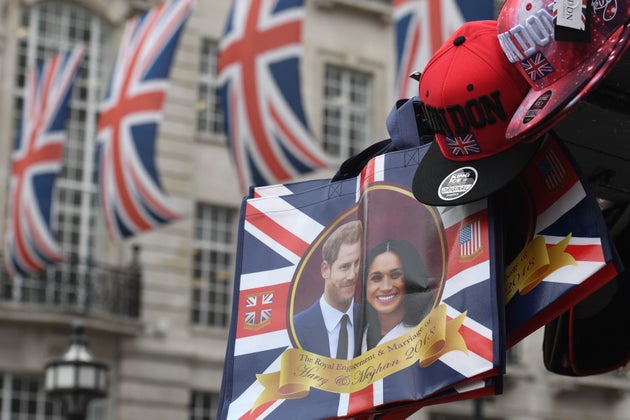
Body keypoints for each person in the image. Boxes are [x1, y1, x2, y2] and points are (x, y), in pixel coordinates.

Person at [293, 220, 363, 359]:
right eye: (345, 267)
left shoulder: (372, 320)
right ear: (325, 270)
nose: (352, 275)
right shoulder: (297, 327)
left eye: (357, 264)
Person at [362, 238, 434, 352]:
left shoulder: (429, 332)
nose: (386, 287)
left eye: (395, 275)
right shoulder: (357, 335)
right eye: (376, 277)